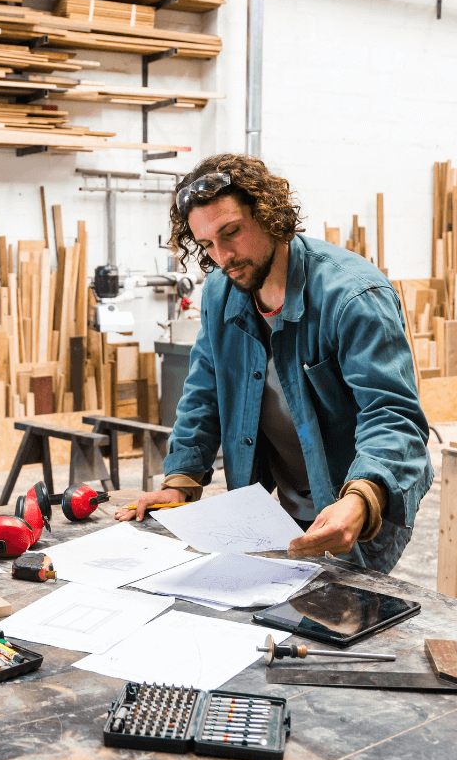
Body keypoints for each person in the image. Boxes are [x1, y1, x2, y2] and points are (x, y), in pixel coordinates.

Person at [115, 154, 433, 573]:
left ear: (269, 214)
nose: (223, 256)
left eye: (232, 233)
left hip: (358, 503)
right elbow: (205, 391)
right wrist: (181, 481)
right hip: (280, 508)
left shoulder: (352, 297)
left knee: (344, 621)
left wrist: (360, 501)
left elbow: (393, 416)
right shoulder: (220, 292)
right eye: (208, 244)